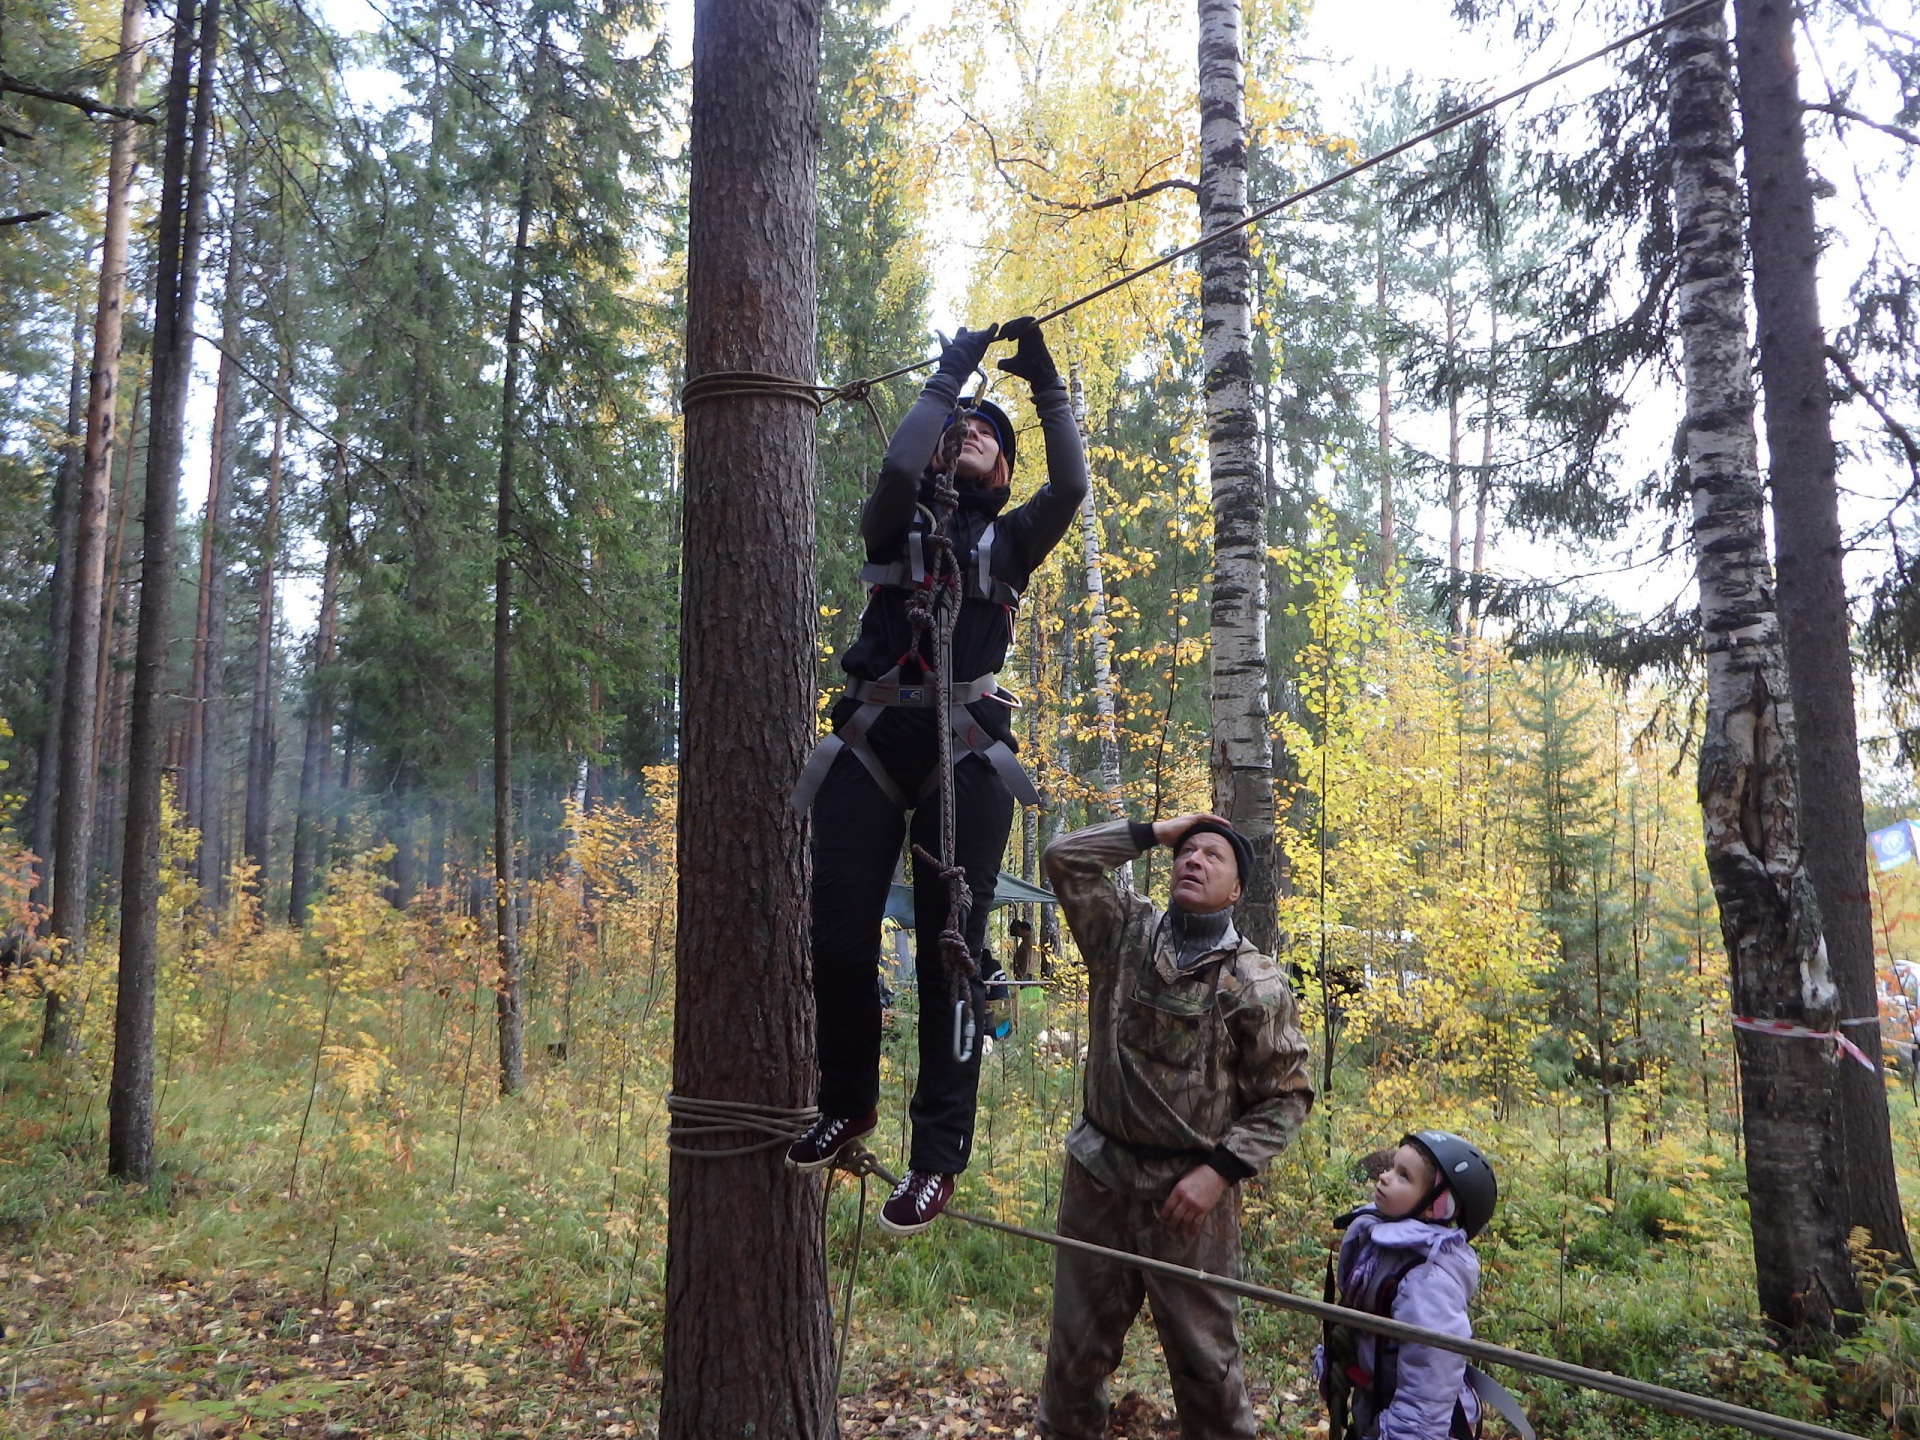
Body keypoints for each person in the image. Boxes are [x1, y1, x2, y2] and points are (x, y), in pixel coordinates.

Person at [786, 318, 1088, 1236]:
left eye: (986, 435)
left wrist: (1045, 388)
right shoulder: (893, 520)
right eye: (958, 429)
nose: (969, 435)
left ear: (1003, 473)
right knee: (835, 939)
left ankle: (935, 1158)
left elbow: (1069, 484)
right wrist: (949, 374)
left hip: (967, 750)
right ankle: (847, 1099)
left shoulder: (1012, 541)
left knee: (951, 956)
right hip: (875, 738)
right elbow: (892, 471)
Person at [1035, 812, 1315, 1440]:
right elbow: (1062, 858)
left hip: (1188, 1201)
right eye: (1187, 852)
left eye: (1214, 856)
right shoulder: (1123, 932)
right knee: (1075, 1360)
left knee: (1206, 1369)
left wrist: (1218, 1175)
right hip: (1098, 1177)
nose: (1196, 860)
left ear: (1237, 889)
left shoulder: (1255, 981)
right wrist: (1155, 830)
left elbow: (1287, 1097)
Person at [1315, 1131, 1498, 1440]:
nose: (1384, 1177)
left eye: (1403, 1176)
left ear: (1436, 1206)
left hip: (1412, 1427)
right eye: (1390, 1167)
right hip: (1375, 1411)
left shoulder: (1427, 1280)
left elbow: (1430, 1379)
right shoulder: (1380, 1248)